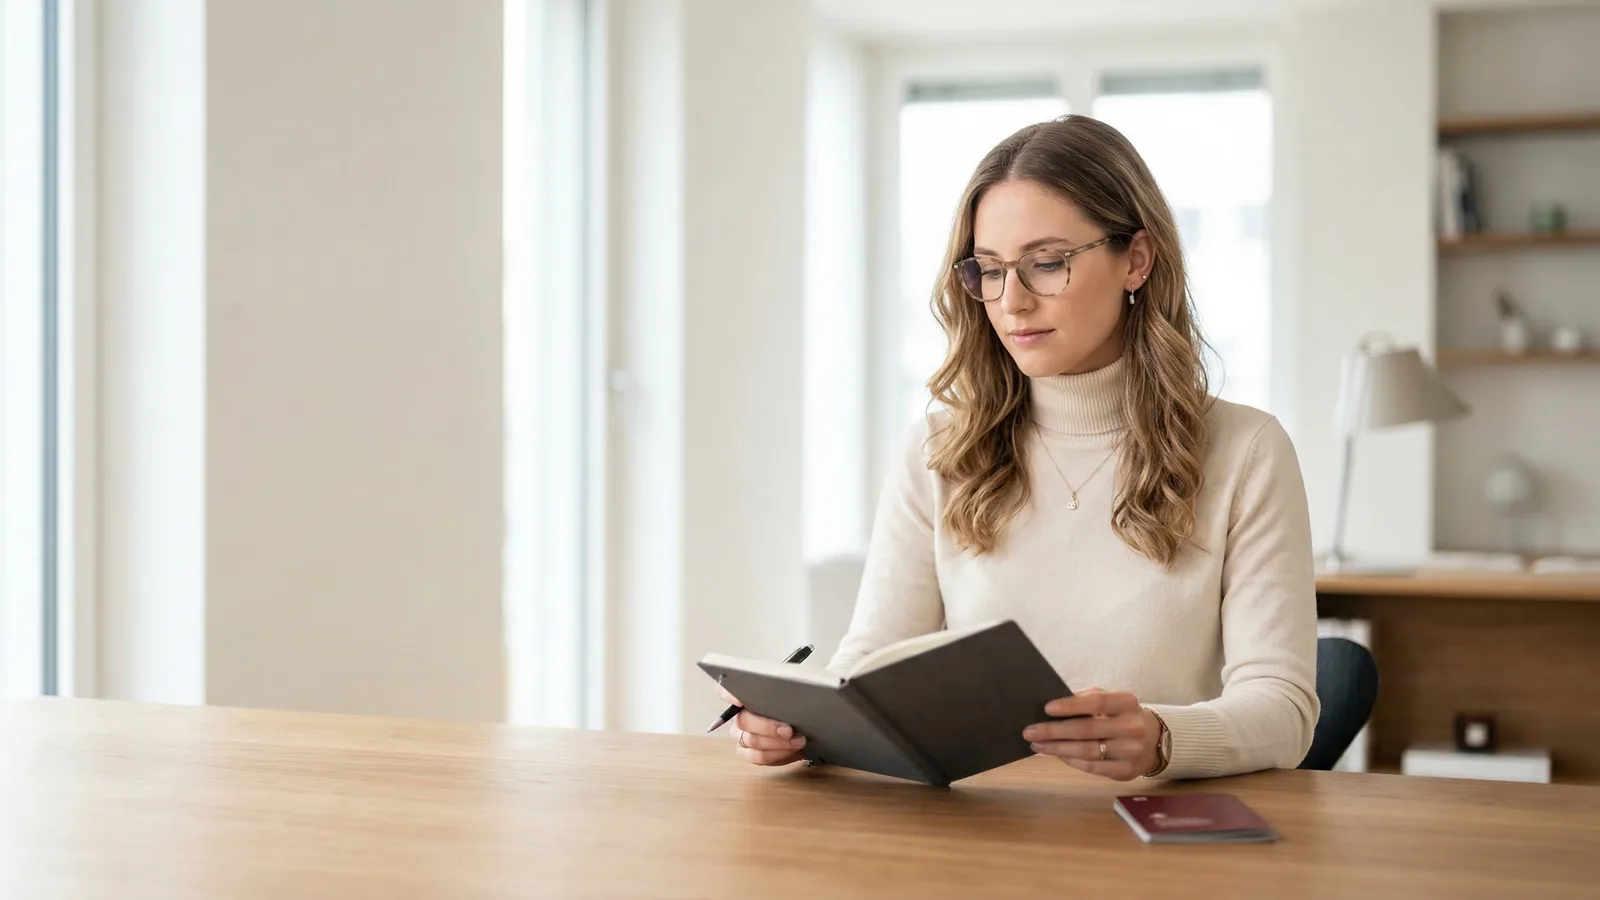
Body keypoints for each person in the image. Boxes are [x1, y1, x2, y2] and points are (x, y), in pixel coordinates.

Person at [726, 114, 1318, 781]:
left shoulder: (1248, 452)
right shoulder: (939, 448)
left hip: (1150, 840)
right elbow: (869, 661)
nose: (1011, 302)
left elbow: (1284, 709)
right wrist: (803, 725)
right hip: (976, 835)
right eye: (990, 270)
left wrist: (1163, 738)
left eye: (1046, 264)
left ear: (1137, 259)